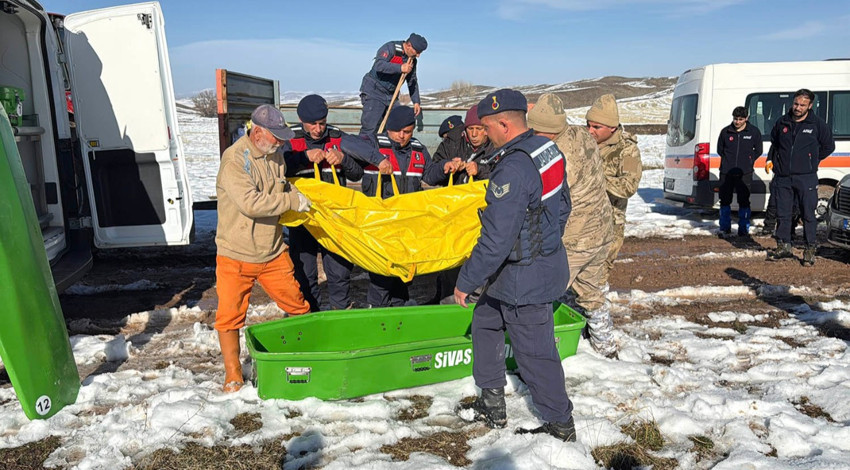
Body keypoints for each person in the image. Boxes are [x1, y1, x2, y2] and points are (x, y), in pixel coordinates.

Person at [454, 89, 576, 442]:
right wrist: (545, 240)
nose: (485, 134)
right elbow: (563, 206)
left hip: (526, 280)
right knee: (486, 319)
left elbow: (496, 240)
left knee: (535, 354)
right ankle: (493, 402)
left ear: (504, 124)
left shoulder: (512, 169)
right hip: (535, 267)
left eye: (488, 127)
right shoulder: (545, 149)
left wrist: (466, 282)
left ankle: (561, 426)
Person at [214, 104, 312, 392]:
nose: (281, 143)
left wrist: (296, 194)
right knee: (229, 315)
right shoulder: (234, 160)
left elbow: (281, 189)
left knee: (297, 304)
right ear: (257, 133)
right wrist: (290, 203)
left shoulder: (276, 155)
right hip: (235, 254)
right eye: (276, 137)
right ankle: (233, 374)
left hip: (272, 252)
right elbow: (251, 203)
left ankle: (306, 354)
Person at [529, 93, 618, 358]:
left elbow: (545, 197)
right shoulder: (581, 135)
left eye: (538, 131)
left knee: (540, 292)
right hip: (601, 229)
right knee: (592, 292)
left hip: (576, 238)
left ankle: (537, 353)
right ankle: (606, 347)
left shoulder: (558, 154)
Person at [283, 94, 388, 311]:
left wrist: (344, 159)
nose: (318, 129)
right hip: (303, 220)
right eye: (313, 124)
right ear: (301, 120)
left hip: (335, 220)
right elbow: (277, 167)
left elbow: (357, 173)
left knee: (339, 273)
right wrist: (303, 157)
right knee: (305, 273)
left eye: (322, 123)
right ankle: (311, 317)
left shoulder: (337, 137)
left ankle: (341, 314)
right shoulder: (290, 139)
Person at [361, 105, 462, 306]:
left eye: (407, 131)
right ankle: (377, 311)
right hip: (381, 223)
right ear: (388, 128)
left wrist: (443, 167)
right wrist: (377, 160)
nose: (402, 136)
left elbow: (430, 176)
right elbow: (350, 144)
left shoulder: (418, 150)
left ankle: (399, 309)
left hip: (408, 224)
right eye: (397, 131)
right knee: (382, 272)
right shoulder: (373, 144)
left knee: (404, 272)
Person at [428, 105, 497, 305]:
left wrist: (482, 170)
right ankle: (446, 303)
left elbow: (506, 173)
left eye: (480, 129)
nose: (475, 134)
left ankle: (477, 304)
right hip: (452, 215)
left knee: (478, 259)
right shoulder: (452, 142)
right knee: (450, 261)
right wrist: (445, 167)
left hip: (482, 217)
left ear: (487, 128)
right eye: (470, 129)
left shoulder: (496, 145)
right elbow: (430, 175)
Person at [766, 89, 835, 265]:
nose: (797, 108)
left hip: (806, 177)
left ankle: (810, 248)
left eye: (802, 105)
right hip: (782, 177)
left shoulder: (817, 124)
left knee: (807, 214)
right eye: (796, 104)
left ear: (810, 106)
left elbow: (829, 146)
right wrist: (770, 160)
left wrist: (811, 159)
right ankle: (783, 246)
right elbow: (775, 144)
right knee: (783, 213)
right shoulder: (782, 121)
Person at [586, 94, 642, 275]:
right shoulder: (584, 144)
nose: (590, 130)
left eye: (596, 127)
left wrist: (595, 178)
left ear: (611, 128)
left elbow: (629, 185)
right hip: (580, 220)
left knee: (598, 274)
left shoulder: (627, 150)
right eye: (588, 125)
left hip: (608, 223)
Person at [359, 33, 427, 136]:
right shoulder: (390, 48)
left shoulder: (412, 61)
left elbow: (412, 81)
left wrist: (416, 101)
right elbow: (379, 65)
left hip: (391, 95)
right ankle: (362, 150)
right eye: (417, 51)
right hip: (374, 91)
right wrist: (400, 68)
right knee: (370, 128)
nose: (418, 55)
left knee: (395, 125)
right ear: (408, 45)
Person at [716, 106, 763, 237]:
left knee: (744, 201)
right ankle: (725, 227)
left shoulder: (754, 132)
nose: (737, 122)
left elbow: (758, 150)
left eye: (740, 119)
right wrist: (727, 161)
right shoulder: (725, 132)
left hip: (745, 173)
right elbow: (720, 150)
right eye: (735, 119)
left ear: (746, 118)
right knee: (725, 200)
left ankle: (743, 229)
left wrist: (748, 160)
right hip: (726, 172)